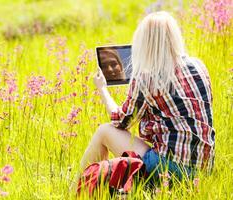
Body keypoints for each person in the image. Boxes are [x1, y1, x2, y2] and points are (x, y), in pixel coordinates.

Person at [71, 11, 215, 193]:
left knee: (104, 131)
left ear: (144, 43)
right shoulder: (199, 66)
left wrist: (103, 89)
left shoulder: (146, 77)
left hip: (169, 170)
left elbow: (121, 121)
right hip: (204, 170)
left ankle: (74, 191)